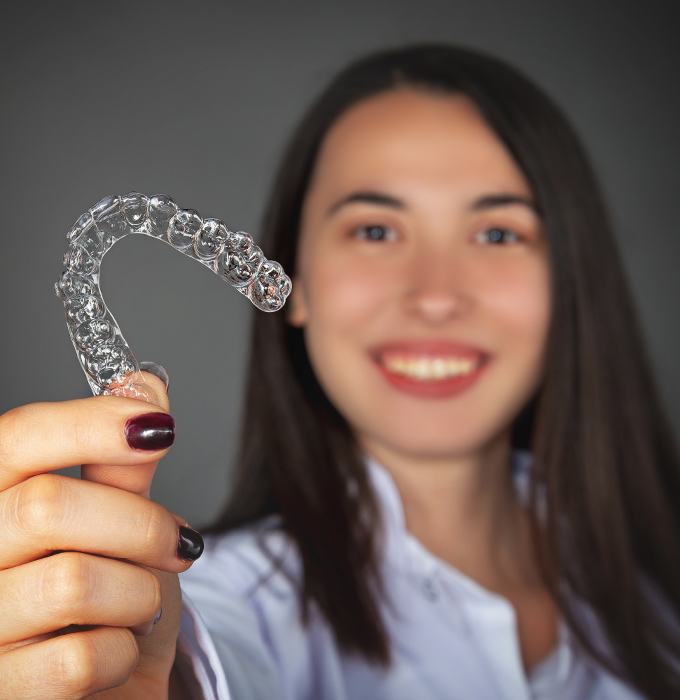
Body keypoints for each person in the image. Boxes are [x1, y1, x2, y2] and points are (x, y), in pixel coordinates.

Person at [0, 44, 677, 699]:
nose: (435, 295)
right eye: (375, 232)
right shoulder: (230, 603)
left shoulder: (658, 581)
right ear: (299, 280)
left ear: (571, 279)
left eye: (498, 234)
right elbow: (202, 671)